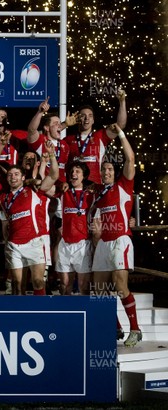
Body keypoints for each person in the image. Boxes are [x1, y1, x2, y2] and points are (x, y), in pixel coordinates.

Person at [91, 123, 141, 347]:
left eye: (110, 169)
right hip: (103, 243)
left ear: (115, 171)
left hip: (121, 239)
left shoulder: (124, 185)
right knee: (99, 289)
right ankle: (116, 328)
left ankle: (136, 329)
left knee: (120, 286)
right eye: (104, 170)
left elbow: (130, 158)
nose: (107, 172)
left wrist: (120, 133)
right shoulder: (98, 193)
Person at [0, 140, 59, 295]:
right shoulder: (3, 198)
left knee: (38, 281)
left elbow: (54, 175)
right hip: (14, 245)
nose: (13, 177)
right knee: (16, 285)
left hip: (34, 242)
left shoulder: (34, 190)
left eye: (16, 174)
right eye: (10, 175)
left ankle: (41, 315)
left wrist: (52, 155)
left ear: (22, 177)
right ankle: (18, 317)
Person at [64, 89, 127, 184]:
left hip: (94, 188)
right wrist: (65, 124)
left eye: (90, 116)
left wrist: (122, 102)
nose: (86, 118)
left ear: (93, 120)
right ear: (77, 119)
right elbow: (49, 135)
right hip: (74, 188)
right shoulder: (68, 140)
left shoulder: (100, 136)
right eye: (83, 115)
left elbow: (120, 125)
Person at [52, 161, 94, 295]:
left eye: (77, 172)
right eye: (72, 172)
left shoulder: (91, 195)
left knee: (83, 286)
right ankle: (65, 315)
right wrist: (59, 184)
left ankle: (85, 315)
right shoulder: (63, 192)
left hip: (83, 244)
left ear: (84, 176)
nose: (73, 174)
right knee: (64, 285)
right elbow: (45, 187)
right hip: (65, 244)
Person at [26, 97, 71, 184]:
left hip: (61, 188)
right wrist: (40, 112)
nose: (60, 126)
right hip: (44, 187)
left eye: (60, 123)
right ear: (46, 128)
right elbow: (31, 130)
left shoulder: (64, 144)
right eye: (55, 123)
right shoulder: (41, 141)